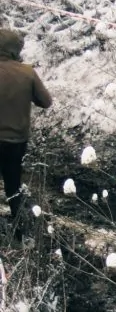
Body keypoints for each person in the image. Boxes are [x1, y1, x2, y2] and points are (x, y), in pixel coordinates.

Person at [0, 28, 52, 243]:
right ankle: (20, 234)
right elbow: (45, 102)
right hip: (15, 141)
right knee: (13, 185)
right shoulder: (27, 72)